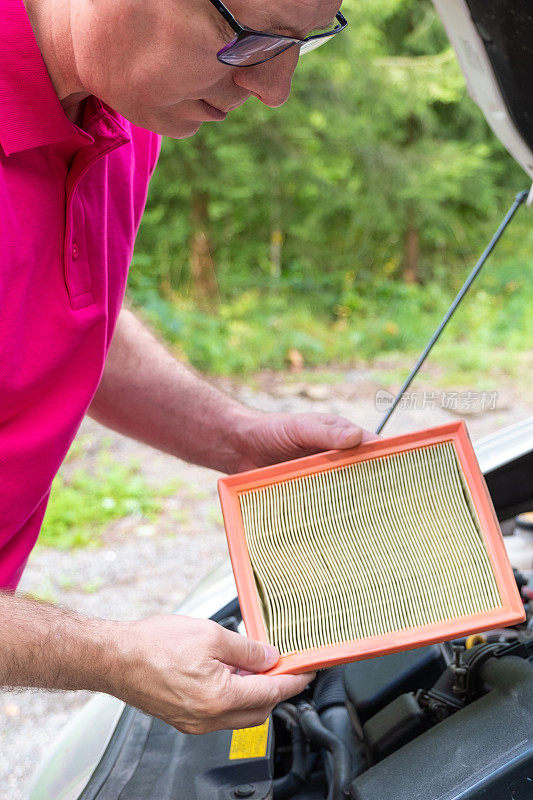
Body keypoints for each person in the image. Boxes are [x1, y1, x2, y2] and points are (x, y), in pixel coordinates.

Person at [0, 0, 371, 735]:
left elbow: (48, 299)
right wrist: (105, 653)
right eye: (254, 39)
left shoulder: (123, 106)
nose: (275, 89)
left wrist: (233, 437)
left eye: (307, 40)